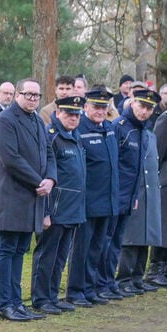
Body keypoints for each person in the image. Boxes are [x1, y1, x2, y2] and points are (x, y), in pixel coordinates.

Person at [0, 77, 57, 321]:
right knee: (7, 249)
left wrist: (51, 179)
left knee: (20, 249)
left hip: (34, 195)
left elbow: (49, 152)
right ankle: (5, 303)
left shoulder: (37, 120)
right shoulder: (5, 120)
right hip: (13, 195)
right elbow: (10, 159)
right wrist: (38, 181)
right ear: (17, 94)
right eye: (28, 94)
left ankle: (17, 302)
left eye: (36, 95)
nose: (32, 99)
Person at [65, 87, 121, 307]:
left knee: (97, 248)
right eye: (96, 106)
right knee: (81, 249)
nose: (100, 111)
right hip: (87, 201)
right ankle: (75, 290)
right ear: (86, 106)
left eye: (104, 107)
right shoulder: (80, 131)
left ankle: (90, 288)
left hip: (107, 201)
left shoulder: (109, 129)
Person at [30, 96, 86, 314]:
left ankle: (52, 295)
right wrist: (45, 211)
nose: (73, 118)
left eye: (77, 115)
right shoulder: (51, 136)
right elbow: (45, 174)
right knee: (47, 255)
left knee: (61, 256)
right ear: (58, 113)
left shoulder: (75, 136)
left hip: (72, 208)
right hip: (55, 208)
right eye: (69, 114)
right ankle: (41, 298)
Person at [115, 89, 162, 294]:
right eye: (142, 106)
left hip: (148, 190)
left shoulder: (147, 132)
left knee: (146, 234)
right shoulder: (121, 127)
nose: (144, 112)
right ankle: (124, 277)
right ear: (132, 103)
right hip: (128, 190)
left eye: (149, 108)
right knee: (130, 236)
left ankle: (137, 276)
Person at [148, 100, 167, 286]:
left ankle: (165, 267)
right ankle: (156, 268)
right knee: (164, 225)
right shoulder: (166, 119)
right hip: (166, 179)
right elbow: (158, 151)